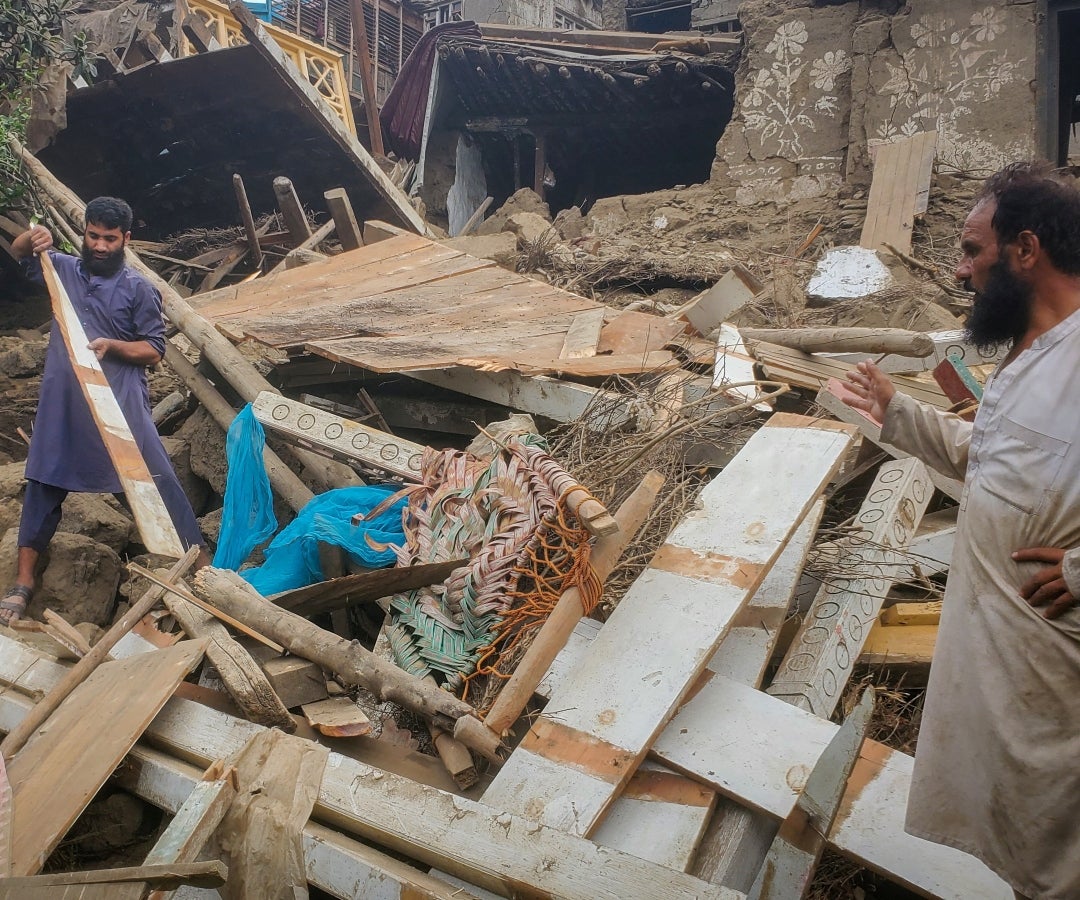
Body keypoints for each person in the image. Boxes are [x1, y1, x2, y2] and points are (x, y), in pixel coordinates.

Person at [845, 161, 1080, 900]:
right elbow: (995, 464)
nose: (960, 270)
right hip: (1007, 664)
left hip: (1054, 660)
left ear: (1026, 250)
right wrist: (897, 412)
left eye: (974, 250)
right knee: (1027, 844)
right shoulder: (1028, 355)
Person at [1, 198, 208, 624]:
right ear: (85, 232)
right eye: (93, 236)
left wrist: (112, 347)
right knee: (43, 483)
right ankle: (23, 584)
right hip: (64, 404)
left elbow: (153, 350)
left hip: (120, 405)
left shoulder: (139, 289)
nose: (99, 245)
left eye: (109, 239)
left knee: (156, 483)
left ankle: (202, 572)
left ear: (125, 240)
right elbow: (21, 254)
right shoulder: (61, 271)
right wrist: (30, 236)